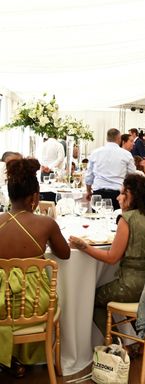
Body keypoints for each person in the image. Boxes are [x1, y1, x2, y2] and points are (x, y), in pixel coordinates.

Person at [0, 158, 70, 377]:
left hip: (1, 304)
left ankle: (10, 358)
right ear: (35, 197)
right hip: (32, 304)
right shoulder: (46, 223)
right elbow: (65, 254)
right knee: (52, 299)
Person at [69, 174, 145, 335]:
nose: (118, 198)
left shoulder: (127, 219)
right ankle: (138, 340)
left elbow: (112, 258)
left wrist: (83, 246)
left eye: (121, 193)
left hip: (131, 286)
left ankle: (115, 345)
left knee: (92, 299)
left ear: (132, 195)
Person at [85, 128, 136, 210]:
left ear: (107, 138)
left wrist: (88, 191)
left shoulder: (95, 152)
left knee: (96, 221)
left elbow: (89, 176)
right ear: (119, 139)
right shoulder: (126, 155)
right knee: (115, 220)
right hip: (117, 195)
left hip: (98, 193)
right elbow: (132, 177)